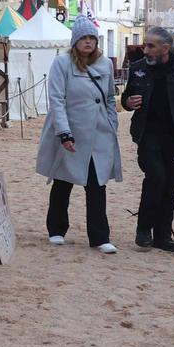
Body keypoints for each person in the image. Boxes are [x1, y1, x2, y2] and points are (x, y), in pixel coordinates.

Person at [36, 17, 122, 253]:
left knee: (97, 184)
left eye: (92, 38)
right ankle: (56, 230)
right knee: (63, 181)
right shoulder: (62, 63)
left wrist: (112, 124)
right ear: (75, 41)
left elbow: (110, 98)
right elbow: (57, 99)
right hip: (71, 130)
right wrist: (64, 132)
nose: (88, 42)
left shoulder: (104, 64)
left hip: (99, 133)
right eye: (84, 38)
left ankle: (99, 236)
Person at [122, 25, 174, 251]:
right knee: (156, 177)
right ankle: (143, 229)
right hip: (147, 134)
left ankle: (163, 235)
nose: (145, 50)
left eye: (151, 46)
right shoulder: (138, 68)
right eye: (145, 45)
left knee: (170, 186)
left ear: (165, 48)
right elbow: (127, 97)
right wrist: (128, 103)